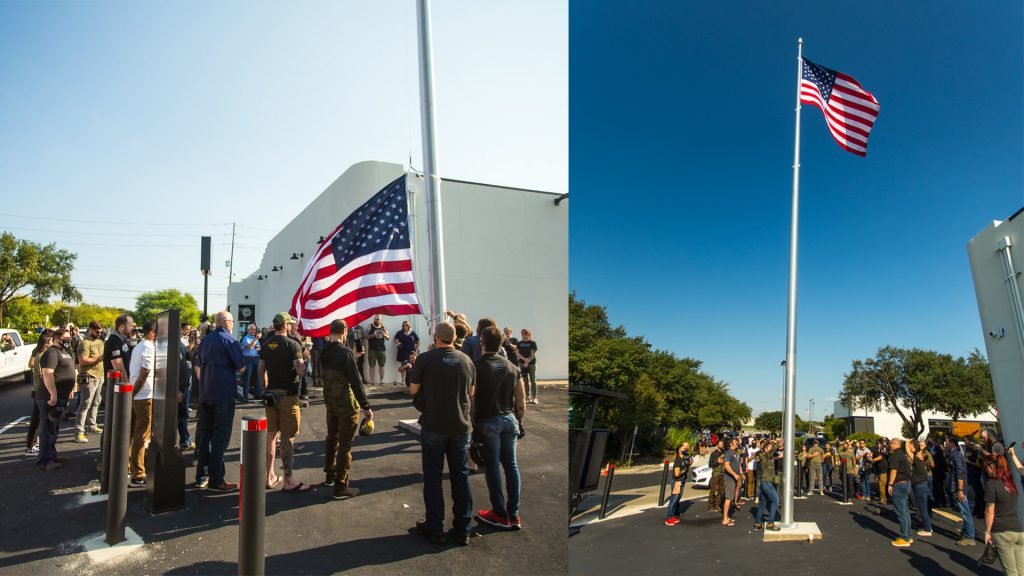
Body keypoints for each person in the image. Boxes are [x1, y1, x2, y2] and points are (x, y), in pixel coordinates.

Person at [409, 321, 475, 546]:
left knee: (433, 477)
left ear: (436, 337)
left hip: (434, 425)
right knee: (460, 476)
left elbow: (413, 389)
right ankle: (463, 528)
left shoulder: (426, 359)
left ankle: (435, 528)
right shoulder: (466, 360)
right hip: (460, 425)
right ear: (455, 337)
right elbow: (471, 391)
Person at [473, 326, 526, 531]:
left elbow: (471, 398)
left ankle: (499, 512)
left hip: (488, 422)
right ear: (502, 343)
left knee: (492, 466)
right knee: (511, 466)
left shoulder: (475, 366)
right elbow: (520, 400)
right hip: (509, 419)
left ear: (482, 342)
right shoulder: (512, 368)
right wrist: (519, 423)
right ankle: (514, 513)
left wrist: (471, 427)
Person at [319, 318, 372, 499]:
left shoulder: (324, 350)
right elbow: (356, 382)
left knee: (332, 438)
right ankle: (341, 486)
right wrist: (366, 406)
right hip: (346, 405)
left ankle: (330, 475)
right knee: (345, 446)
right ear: (344, 331)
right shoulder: (345, 353)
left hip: (331, 403)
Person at [193, 311, 244, 491]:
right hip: (222, 394)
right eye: (232, 321)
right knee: (220, 438)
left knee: (205, 435)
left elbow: (197, 362)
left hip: (206, 392)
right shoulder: (229, 341)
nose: (233, 324)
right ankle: (216, 479)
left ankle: (202, 475)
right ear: (226, 322)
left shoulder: (206, 340)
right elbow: (242, 366)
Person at [260, 313, 310, 492]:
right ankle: (288, 480)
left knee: (271, 435)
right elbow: (302, 371)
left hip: (271, 395)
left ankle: (269, 476)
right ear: (286, 325)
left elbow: (261, 369)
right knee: (288, 437)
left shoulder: (266, 344)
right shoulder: (292, 344)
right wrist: (305, 359)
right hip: (288, 396)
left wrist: (265, 388)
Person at [36, 327, 76, 471]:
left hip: (61, 397)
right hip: (49, 397)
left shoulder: (65, 352)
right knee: (47, 428)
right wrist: (53, 394)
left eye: (69, 339)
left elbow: (70, 370)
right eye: (64, 339)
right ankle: (44, 462)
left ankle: (52, 455)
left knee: (54, 428)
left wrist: (71, 388)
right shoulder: (51, 353)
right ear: (56, 339)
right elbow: (47, 374)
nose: (67, 341)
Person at [985, 454, 1024, 575]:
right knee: (1021, 571)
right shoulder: (1011, 483)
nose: (985, 470)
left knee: (1011, 572)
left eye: (986, 467)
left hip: (1002, 531)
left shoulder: (992, 484)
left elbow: (989, 511)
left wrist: (987, 532)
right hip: (1018, 530)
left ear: (992, 467)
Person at [128, 321, 157, 485]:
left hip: (139, 394)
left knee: (135, 432)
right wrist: (135, 392)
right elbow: (145, 371)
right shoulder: (147, 347)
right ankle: (138, 472)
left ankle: (132, 466)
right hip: (144, 395)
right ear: (152, 332)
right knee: (142, 433)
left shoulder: (139, 346)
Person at [73, 321, 105, 443]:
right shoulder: (84, 344)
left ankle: (92, 425)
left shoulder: (100, 342)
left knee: (96, 402)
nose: (99, 334)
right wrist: (99, 358)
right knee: (85, 404)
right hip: (89, 376)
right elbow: (83, 360)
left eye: (101, 332)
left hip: (99, 376)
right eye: (97, 332)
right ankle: (78, 432)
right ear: (90, 330)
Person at [946, 435, 977, 546]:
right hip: (958, 488)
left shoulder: (956, 455)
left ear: (952, 443)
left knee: (965, 511)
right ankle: (966, 533)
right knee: (963, 511)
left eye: (947, 443)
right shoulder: (954, 455)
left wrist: (959, 489)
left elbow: (960, 473)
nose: (946, 445)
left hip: (960, 488)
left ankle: (970, 536)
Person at [25, 331, 52, 456]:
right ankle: (31, 446)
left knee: (38, 419)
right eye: (51, 341)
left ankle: (33, 444)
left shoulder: (40, 353)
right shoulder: (42, 356)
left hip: (37, 390)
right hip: (40, 391)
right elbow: (43, 375)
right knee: (38, 420)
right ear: (47, 343)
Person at [887, 437, 914, 547]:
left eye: (890, 444)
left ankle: (905, 538)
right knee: (905, 511)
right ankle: (908, 535)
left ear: (895, 444)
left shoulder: (895, 456)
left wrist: (890, 484)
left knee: (901, 512)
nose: (889, 445)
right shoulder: (902, 454)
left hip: (898, 484)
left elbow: (894, 470)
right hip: (906, 483)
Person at [754, 439, 781, 531]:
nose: (771, 449)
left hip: (765, 482)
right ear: (765, 448)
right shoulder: (764, 455)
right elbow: (773, 450)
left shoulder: (768, 457)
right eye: (769, 447)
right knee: (775, 500)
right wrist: (776, 442)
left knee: (763, 503)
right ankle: (770, 523)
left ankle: (758, 523)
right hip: (766, 482)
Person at [664, 443, 693, 526]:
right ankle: (669, 517)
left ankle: (674, 515)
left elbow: (685, 467)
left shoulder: (684, 458)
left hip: (682, 481)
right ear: (680, 449)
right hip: (677, 481)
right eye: (685, 447)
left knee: (677, 499)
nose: (687, 448)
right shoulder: (678, 460)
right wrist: (685, 469)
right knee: (674, 499)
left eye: (688, 447)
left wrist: (689, 464)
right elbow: (677, 473)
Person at [911, 438, 934, 537]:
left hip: (924, 480)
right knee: (922, 506)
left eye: (921, 445)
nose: (919, 447)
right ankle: (926, 525)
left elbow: (932, 464)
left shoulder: (925, 455)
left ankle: (927, 528)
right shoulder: (918, 458)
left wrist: (908, 443)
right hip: (922, 480)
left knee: (923, 506)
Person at [721, 437, 742, 527]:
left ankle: (727, 516)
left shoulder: (735, 453)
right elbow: (726, 465)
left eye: (737, 442)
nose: (736, 443)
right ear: (730, 444)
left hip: (734, 479)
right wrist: (734, 474)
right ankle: (725, 519)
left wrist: (739, 473)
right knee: (728, 498)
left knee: (731, 498)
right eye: (734, 442)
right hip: (729, 479)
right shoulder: (729, 453)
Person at [239, 323, 262, 401]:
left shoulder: (254, 338)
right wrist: (256, 340)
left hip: (256, 358)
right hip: (248, 359)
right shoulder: (246, 338)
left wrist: (258, 347)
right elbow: (249, 347)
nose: (254, 331)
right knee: (247, 378)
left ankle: (258, 394)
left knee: (257, 378)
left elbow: (258, 348)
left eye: (255, 329)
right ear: (248, 330)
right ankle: (245, 396)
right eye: (252, 329)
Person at [515, 329, 538, 404]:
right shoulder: (519, 343)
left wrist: (527, 361)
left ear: (528, 334)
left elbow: (533, 353)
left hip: (531, 363)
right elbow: (517, 353)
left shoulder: (532, 343)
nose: (523, 335)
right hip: (522, 363)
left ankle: (534, 398)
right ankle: (527, 397)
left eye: (525, 334)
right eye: (522, 333)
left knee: (533, 380)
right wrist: (524, 360)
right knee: (525, 381)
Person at [365, 314, 389, 386]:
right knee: (371, 365)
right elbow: (366, 337)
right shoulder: (369, 326)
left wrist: (384, 334)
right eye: (376, 319)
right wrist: (373, 335)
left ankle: (381, 381)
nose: (377, 320)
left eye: (378, 319)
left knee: (382, 365)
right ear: (374, 319)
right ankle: (372, 381)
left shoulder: (384, 327)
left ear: (380, 320)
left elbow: (388, 338)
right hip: (372, 349)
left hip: (381, 349)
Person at [707, 438, 725, 512]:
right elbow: (710, 464)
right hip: (716, 474)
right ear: (717, 445)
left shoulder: (724, 453)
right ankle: (710, 506)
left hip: (722, 473)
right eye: (720, 444)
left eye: (722, 444)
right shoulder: (714, 454)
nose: (722, 445)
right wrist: (718, 462)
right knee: (713, 491)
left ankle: (717, 505)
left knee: (720, 491)